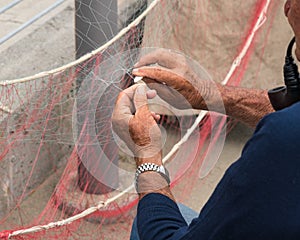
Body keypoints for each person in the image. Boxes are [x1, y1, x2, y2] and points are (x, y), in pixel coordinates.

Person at [112, 0, 300, 239]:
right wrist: (209, 94)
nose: (286, 7)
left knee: (147, 221)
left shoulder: (282, 140)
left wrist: (147, 155)